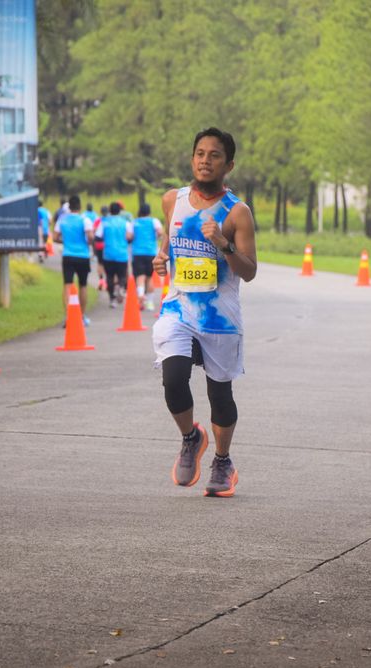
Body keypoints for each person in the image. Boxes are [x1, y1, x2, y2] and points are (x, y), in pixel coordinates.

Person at [152, 127, 257, 498]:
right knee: (173, 378)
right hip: (178, 308)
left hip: (220, 316)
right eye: (200, 153)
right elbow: (170, 240)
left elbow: (249, 270)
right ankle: (190, 438)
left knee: (220, 395)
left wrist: (224, 243)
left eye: (214, 155)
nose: (205, 161)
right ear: (192, 158)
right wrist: (162, 258)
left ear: (229, 165)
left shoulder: (237, 212)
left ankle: (223, 461)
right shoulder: (172, 200)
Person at [53, 194, 94, 326]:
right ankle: (81, 316)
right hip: (83, 256)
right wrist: (87, 242)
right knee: (83, 285)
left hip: (68, 255)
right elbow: (90, 237)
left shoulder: (62, 220)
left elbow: (54, 237)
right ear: (80, 206)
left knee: (67, 285)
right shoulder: (85, 220)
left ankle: (69, 316)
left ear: (69, 207)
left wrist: (65, 241)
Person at [94, 201, 133, 308]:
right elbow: (130, 237)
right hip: (122, 254)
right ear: (119, 211)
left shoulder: (104, 223)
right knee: (122, 275)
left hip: (108, 254)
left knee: (109, 277)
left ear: (110, 211)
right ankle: (121, 287)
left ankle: (112, 299)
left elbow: (97, 237)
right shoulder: (125, 223)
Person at [132, 203, 163, 310]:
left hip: (137, 252)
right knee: (149, 278)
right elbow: (160, 232)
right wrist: (155, 237)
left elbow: (130, 236)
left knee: (140, 276)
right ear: (149, 211)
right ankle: (150, 303)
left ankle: (140, 295)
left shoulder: (134, 222)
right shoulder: (154, 221)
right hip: (150, 252)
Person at [93, 206, 108, 290]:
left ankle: (101, 281)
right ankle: (108, 281)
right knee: (108, 264)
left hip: (99, 245)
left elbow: (94, 231)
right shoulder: (110, 220)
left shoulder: (98, 220)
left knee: (100, 263)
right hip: (108, 245)